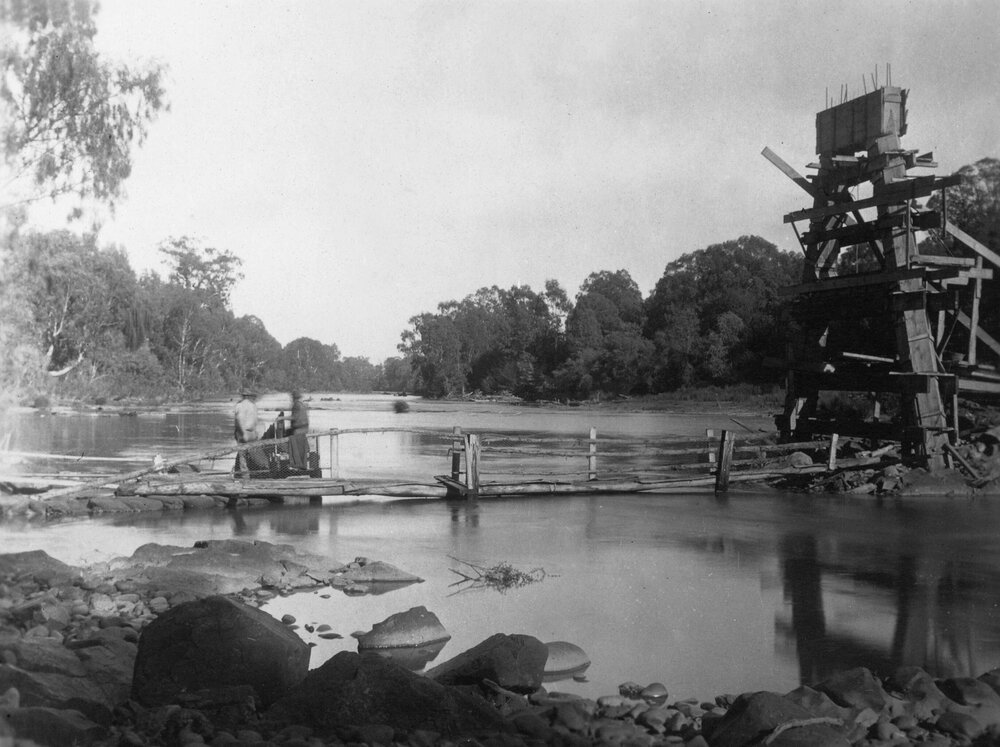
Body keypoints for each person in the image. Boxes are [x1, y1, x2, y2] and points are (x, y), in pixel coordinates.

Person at [233, 388, 259, 476]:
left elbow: (239, 420)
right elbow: (255, 420)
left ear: (243, 396)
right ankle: (253, 472)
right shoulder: (253, 405)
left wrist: (242, 433)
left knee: (242, 454)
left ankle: (244, 474)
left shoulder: (239, 405)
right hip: (252, 433)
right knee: (251, 453)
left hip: (243, 432)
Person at [287, 389, 310, 471]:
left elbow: (295, 417)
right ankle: (302, 465)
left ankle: (296, 465)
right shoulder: (302, 404)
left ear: (293, 398)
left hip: (299, 429)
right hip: (304, 428)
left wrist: (281, 418)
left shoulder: (296, 405)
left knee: (295, 446)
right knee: (301, 448)